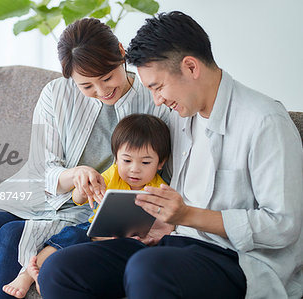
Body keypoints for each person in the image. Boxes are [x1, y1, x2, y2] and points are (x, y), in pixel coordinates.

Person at [38, 11, 303, 299]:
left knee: (146, 267)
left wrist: (187, 216)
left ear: (190, 67)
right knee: (61, 268)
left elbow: (283, 226)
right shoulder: (178, 118)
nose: (157, 100)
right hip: (175, 242)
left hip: (239, 259)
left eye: (157, 86)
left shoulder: (264, 121)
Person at [0, 18, 170, 299]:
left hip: (89, 212)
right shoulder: (56, 94)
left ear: (121, 52)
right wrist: (75, 175)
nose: (102, 91)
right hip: (42, 193)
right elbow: (41, 166)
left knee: (13, 234)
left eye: (107, 78)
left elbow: (162, 172)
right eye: (86, 86)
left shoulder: (152, 99)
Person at [3, 113, 172, 298]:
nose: (134, 169)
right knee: (69, 236)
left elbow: (164, 224)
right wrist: (83, 191)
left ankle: (48, 278)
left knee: (138, 249)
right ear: (116, 158)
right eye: (127, 160)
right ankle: (28, 274)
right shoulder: (112, 175)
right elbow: (79, 199)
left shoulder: (158, 189)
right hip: (95, 228)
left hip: (128, 240)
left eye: (145, 162)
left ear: (160, 163)